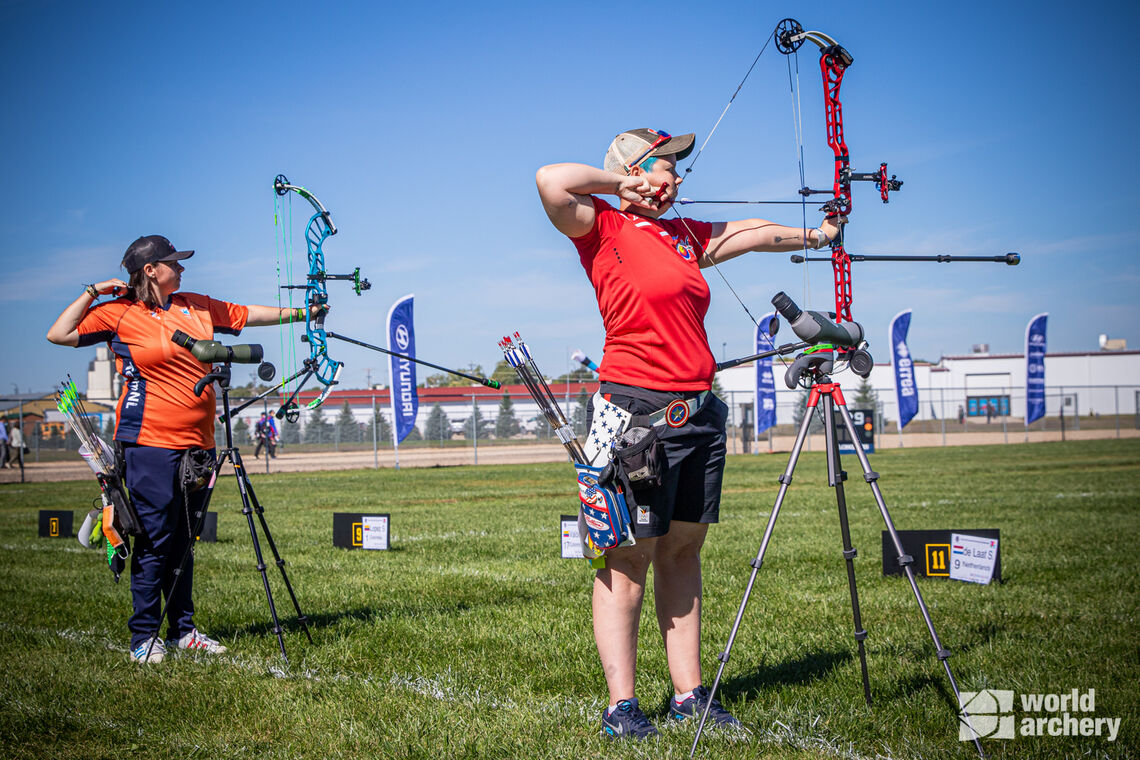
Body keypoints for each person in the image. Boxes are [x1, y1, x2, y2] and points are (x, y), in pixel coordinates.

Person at [536, 129, 843, 739]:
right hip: (635, 417)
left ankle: (689, 695)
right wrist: (620, 184)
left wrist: (816, 234)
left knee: (682, 550)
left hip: (698, 414)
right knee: (626, 559)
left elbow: (748, 233)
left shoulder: (682, 237)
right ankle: (622, 707)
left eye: (678, 170)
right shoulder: (600, 227)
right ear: (632, 171)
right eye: (664, 167)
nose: (675, 179)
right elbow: (550, 179)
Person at [46, 235, 321, 664]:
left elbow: (249, 314)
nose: (183, 268)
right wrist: (93, 291)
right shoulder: (120, 313)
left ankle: (183, 631)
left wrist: (307, 312)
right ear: (151, 270)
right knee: (155, 541)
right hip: (149, 443)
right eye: (174, 262)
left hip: (199, 444)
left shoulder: (196, 304)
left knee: (184, 540)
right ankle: (143, 638)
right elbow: (58, 334)